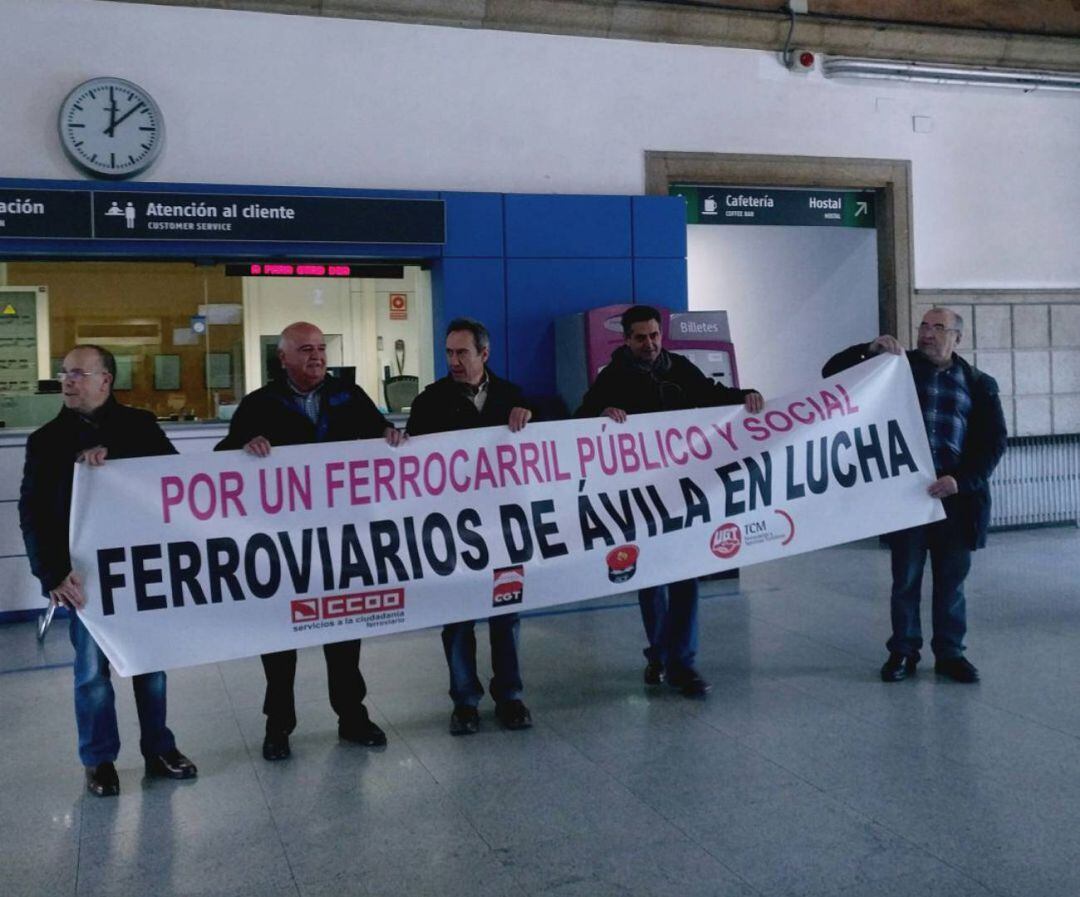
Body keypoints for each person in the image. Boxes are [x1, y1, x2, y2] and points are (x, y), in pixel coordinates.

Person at [216, 322, 403, 760]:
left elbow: (380, 434)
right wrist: (246, 445)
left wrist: (392, 436)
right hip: (284, 543)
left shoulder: (348, 395)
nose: (316, 356)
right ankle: (278, 726)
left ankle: (352, 716)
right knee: (280, 637)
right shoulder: (260, 404)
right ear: (283, 358)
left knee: (344, 630)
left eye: (320, 348)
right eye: (305, 350)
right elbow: (223, 460)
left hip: (341, 538)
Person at [19, 345, 197, 797]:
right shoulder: (46, 440)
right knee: (91, 673)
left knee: (150, 666)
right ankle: (98, 760)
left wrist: (113, 456)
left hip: (141, 572)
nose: (67, 382)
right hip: (83, 578)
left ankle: (159, 748)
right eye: (64, 374)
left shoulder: (139, 426)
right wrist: (53, 575)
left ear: (105, 381)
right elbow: (33, 513)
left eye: (78, 374)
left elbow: (174, 480)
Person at [575, 305, 764, 697]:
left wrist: (745, 396)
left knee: (685, 575)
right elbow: (582, 418)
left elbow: (712, 396)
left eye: (655, 335)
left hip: (682, 492)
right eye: (641, 337)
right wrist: (601, 414)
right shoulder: (613, 377)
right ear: (626, 340)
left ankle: (682, 662)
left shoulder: (679, 369)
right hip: (640, 497)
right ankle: (659, 654)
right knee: (651, 578)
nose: (650, 344)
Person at [823, 307, 1007, 683]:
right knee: (905, 579)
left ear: (957, 338)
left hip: (956, 497)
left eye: (938, 328)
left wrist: (961, 480)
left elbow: (993, 444)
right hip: (906, 495)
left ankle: (950, 654)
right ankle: (903, 652)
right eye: (923, 326)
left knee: (951, 581)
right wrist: (867, 349)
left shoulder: (979, 383)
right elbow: (831, 373)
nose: (927, 334)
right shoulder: (895, 367)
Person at [406, 318, 534, 735]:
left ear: (484, 353)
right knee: (458, 617)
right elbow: (415, 462)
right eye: (449, 353)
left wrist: (532, 415)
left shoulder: (513, 395)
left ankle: (510, 697)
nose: (454, 361)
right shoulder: (430, 401)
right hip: (453, 529)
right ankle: (465, 701)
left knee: (505, 612)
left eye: (462, 352)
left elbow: (554, 432)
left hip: (503, 525)